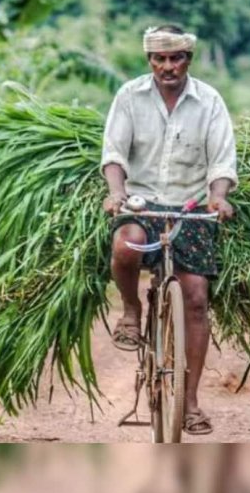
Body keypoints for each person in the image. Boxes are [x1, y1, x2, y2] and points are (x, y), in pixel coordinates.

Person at [100, 24, 237, 436]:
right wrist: (116, 193)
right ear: (149, 62)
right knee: (126, 245)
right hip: (141, 202)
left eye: (175, 58)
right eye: (159, 59)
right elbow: (114, 153)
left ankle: (190, 402)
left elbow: (222, 161)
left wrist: (218, 196)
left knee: (195, 297)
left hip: (190, 207)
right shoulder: (129, 96)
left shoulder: (209, 101)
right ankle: (130, 310)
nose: (167, 66)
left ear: (188, 60)